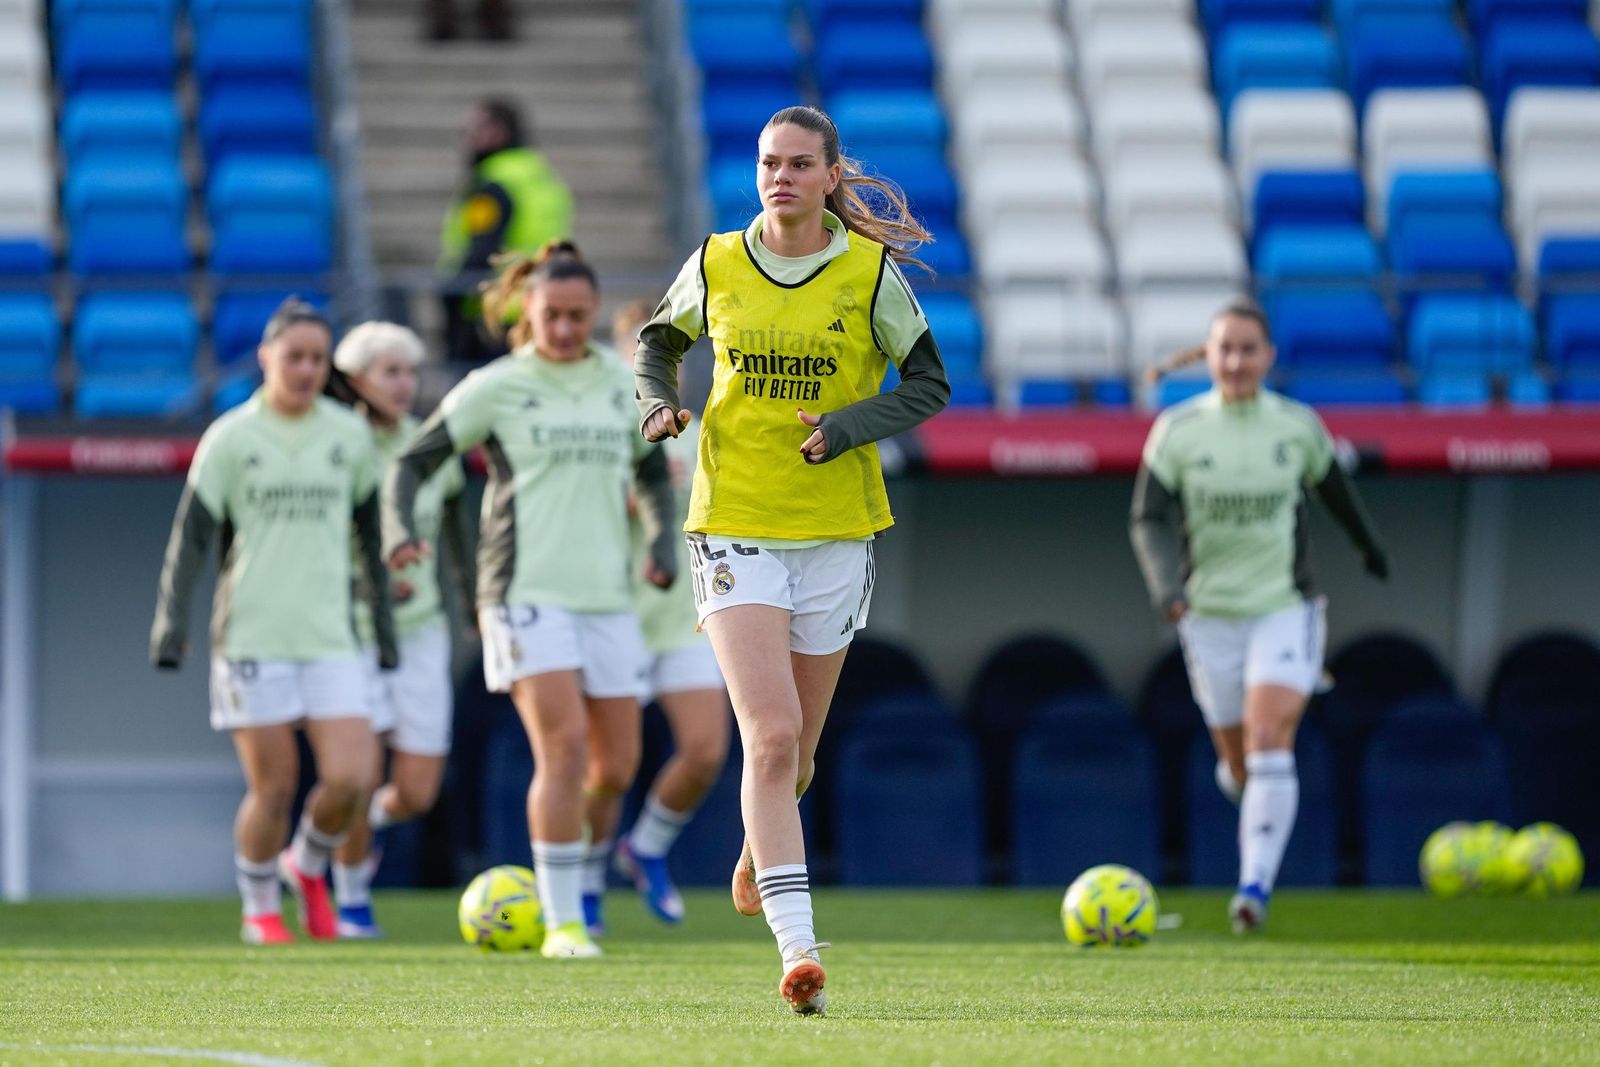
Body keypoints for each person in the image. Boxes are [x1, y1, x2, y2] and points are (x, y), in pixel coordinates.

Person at [633, 105, 951, 1015]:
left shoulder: (867, 271)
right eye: (769, 161)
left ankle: (756, 848)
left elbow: (929, 382)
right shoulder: (717, 260)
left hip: (838, 532)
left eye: (799, 164)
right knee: (768, 737)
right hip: (734, 521)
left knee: (796, 757)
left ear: (829, 176)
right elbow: (658, 342)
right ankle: (799, 952)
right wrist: (658, 403)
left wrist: (850, 425)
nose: (780, 176)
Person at [384, 241, 677, 960]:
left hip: (607, 597)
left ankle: (580, 884)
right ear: (528, 312)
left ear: (596, 312)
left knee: (616, 765)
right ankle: (565, 922)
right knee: (564, 750)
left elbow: (651, 474)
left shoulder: (621, 382)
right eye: (553, 315)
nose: (568, 328)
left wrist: (662, 544)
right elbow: (414, 460)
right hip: (522, 593)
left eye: (580, 315)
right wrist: (396, 529)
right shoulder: (499, 385)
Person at [1129, 302, 1390, 934]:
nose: (1237, 361)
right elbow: (1147, 518)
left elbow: (1335, 491)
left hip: (1284, 608)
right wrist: (1168, 588)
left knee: (1271, 736)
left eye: (1249, 349)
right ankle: (1242, 777)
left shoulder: (1297, 427)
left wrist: (1368, 546)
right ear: (1210, 356)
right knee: (1242, 766)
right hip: (1208, 617)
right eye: (1226, 349)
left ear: (1269, 356)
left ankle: (1253, 891)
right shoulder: (1179, 429)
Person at [150, 299, 396, 945]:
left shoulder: (348, 435)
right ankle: (259, 905)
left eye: (319, 358)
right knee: (275, 785)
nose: (307, 369)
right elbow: (190, 541)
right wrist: (169, 622)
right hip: (253, 634)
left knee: (352, 779)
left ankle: (305, 864)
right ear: (266, 358)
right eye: (296, 356)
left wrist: (387, 631)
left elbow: (369, 542)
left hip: (331, 636)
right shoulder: (230, 438)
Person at [321, 322, 476, 939]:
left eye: (410, 371)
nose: (404, 383)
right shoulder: (334, 444)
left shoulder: (429, 445)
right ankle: (352, 897)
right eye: (390, 371)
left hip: (421, 630)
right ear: (356, 380)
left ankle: (325, 836)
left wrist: (473, 604)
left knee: (415, 791)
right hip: (351, 631)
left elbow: (459, 534)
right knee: (357, 775)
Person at [586, 299, 732, 935]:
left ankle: (643, 847)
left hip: (685, 613)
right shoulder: (598, 428)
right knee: (607, 769)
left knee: (705, 750)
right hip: (612, 611)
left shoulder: (702, 432)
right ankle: (585, 876)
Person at [440, 99, 575, 364]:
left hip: (495, 316)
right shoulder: (541, 176)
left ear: (499, 132)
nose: (466, 138)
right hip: (539, 306)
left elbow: (482, 250)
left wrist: (450, 296)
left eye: (473, 130)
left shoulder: (494, 182)